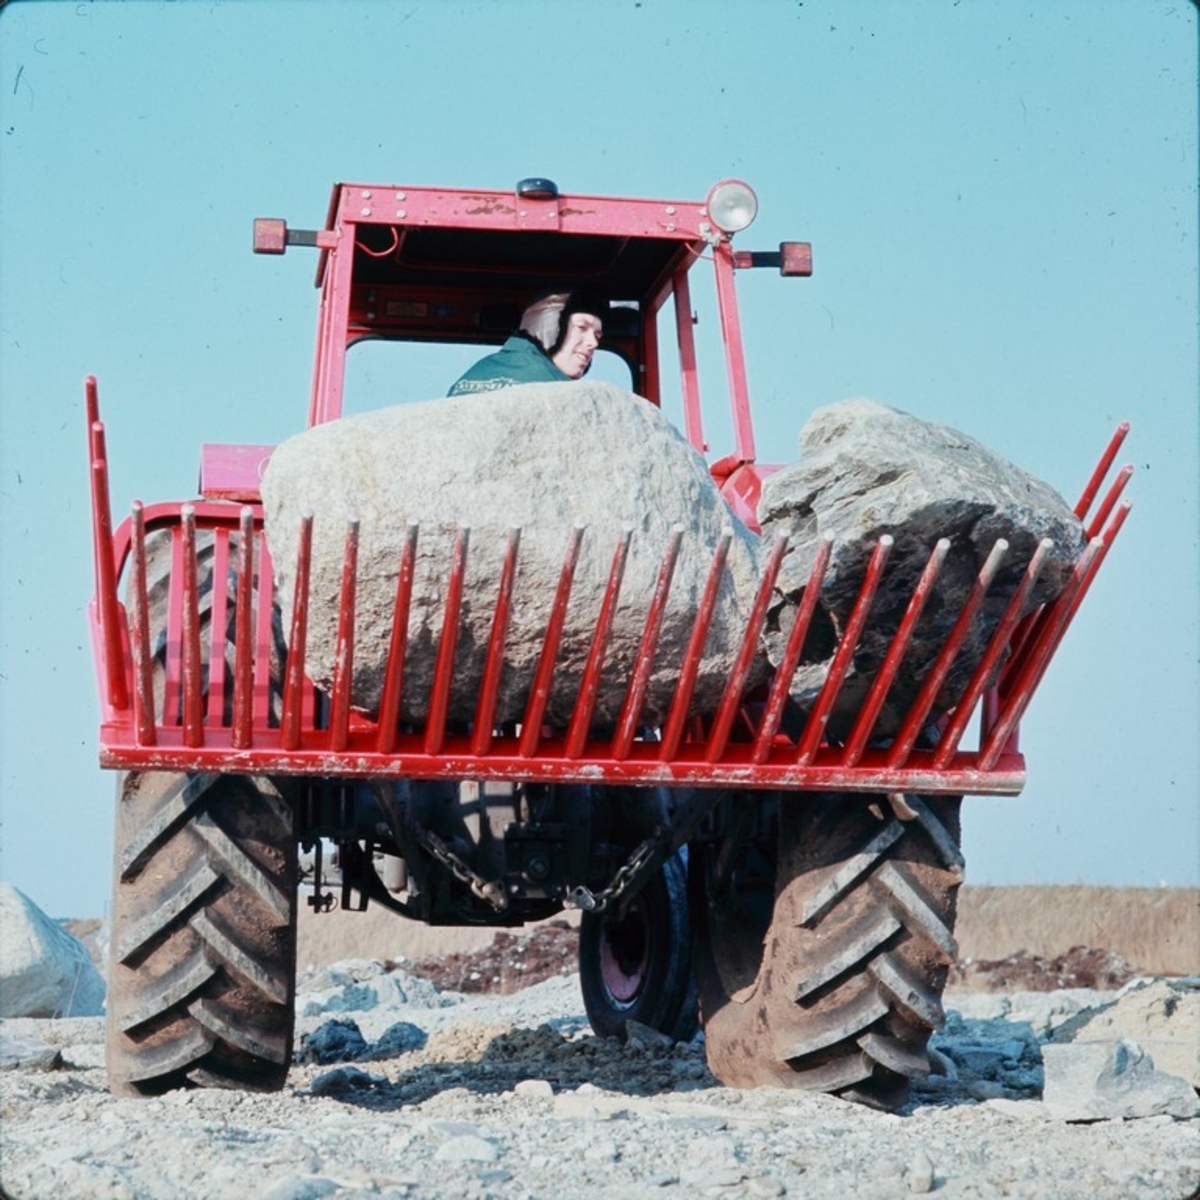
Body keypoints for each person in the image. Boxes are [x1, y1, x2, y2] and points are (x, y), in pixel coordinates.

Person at [447, 289, 608, 395]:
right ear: (548, 326)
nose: (593, 343)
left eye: (597, 335)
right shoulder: (557, 392)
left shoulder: (478, 371)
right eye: (581, 327)